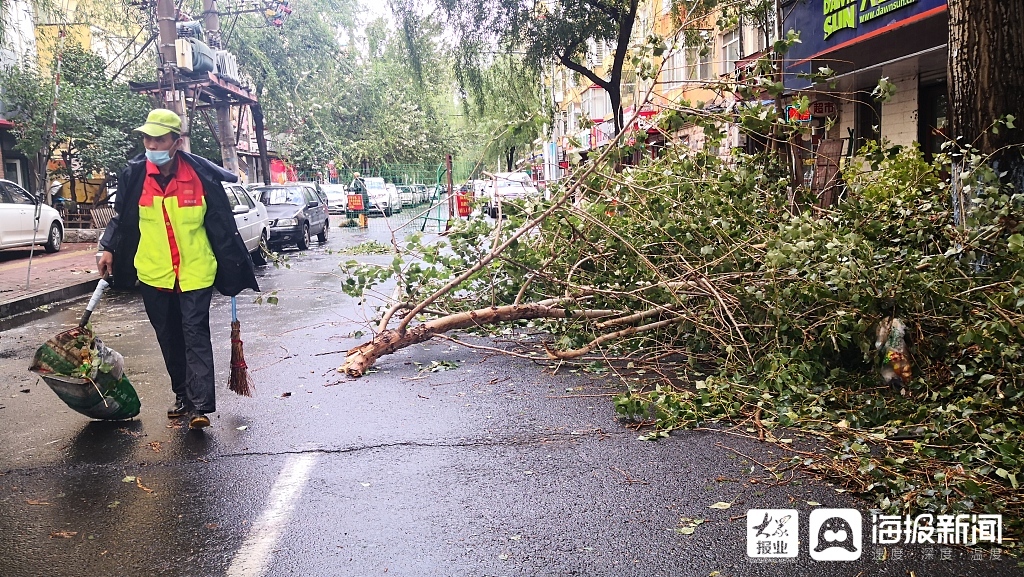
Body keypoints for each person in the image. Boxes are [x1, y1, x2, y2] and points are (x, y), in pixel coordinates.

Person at [98, 109, 259, 430]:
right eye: (147, 138)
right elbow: (123, 219)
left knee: (194, 333)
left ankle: (200, 406)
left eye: (159, 138)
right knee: (169, 338)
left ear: (176, 141)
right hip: (153, 273)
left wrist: (234, 265)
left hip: (195, 272)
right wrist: (107, 247)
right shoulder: (135, 176)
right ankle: (183, 397)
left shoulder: (200, 177)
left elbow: (221, 225)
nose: (152, 144)